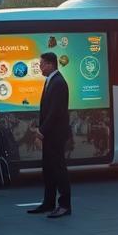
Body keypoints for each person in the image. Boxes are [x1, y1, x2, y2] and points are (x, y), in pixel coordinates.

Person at [28, 51, 72, 218]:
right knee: (48, 169)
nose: (39, 68)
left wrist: (41, 130)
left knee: (59, 169)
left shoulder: (59, 82)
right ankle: (48, 202)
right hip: (50, 134)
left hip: (55, 134)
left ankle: (65, 205)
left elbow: (55, 111)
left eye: (41, 65)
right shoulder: (50, 81)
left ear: (50, 64)